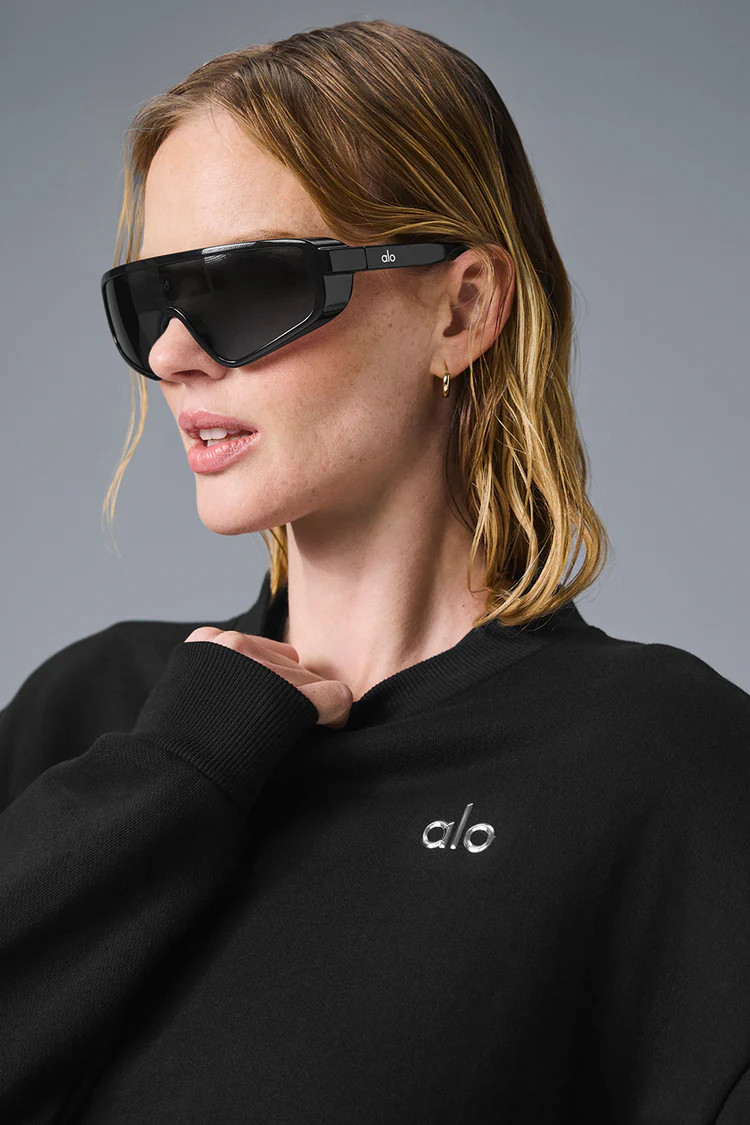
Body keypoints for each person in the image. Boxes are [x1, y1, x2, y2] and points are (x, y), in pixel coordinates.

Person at [2, 18, 749, 1125]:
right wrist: (180, 770)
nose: (171, 355)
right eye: (152, 300)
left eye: (248, 288)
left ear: (463, 307)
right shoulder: (95, 713)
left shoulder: (662, 760)